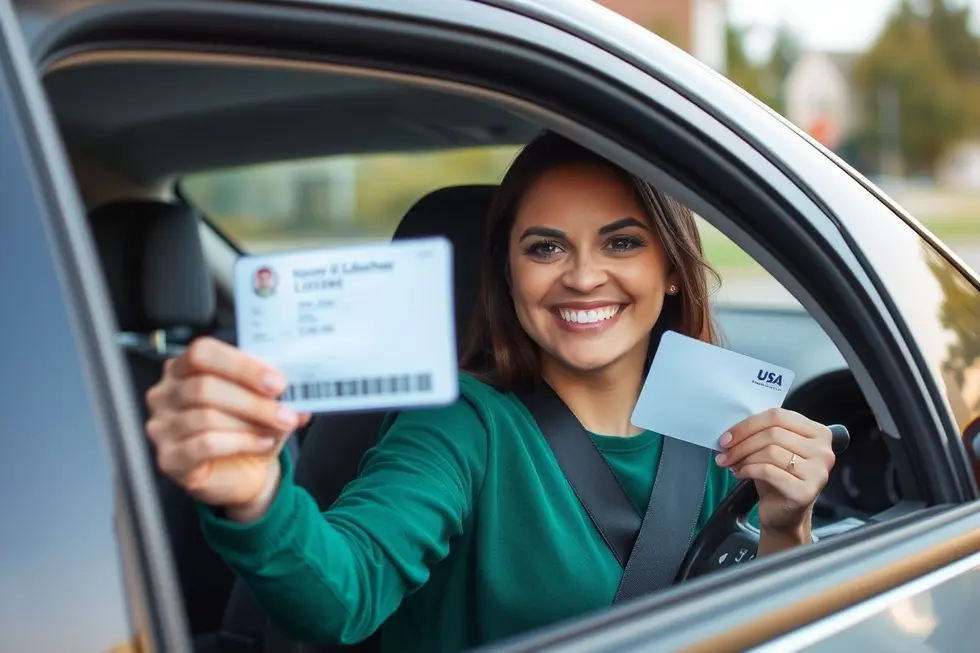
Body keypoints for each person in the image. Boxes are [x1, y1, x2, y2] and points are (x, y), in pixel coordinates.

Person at [145, 131, 835, 652]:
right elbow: (342, 594)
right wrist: (256, 498)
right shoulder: (460, 424)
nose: (583, 277)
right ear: (507, 273)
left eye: (622, 243)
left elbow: (762, 626)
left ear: (673, 269)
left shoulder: (718, 425)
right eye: (545, 248)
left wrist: (785, 524)